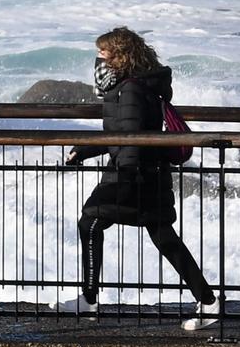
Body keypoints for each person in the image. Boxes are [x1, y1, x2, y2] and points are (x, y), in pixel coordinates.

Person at [58, 26, 219, 330]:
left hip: (135, 175)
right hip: (146, 173)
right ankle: (209, 301)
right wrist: (82, 151)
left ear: (119, 57)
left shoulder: (129, 89)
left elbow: (130, 138)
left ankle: (89, 301)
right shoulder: (130, 86)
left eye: (102, 54)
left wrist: (125, 177)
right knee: (163, 236)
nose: (98, 61)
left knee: (91, 221)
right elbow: (120, 135)